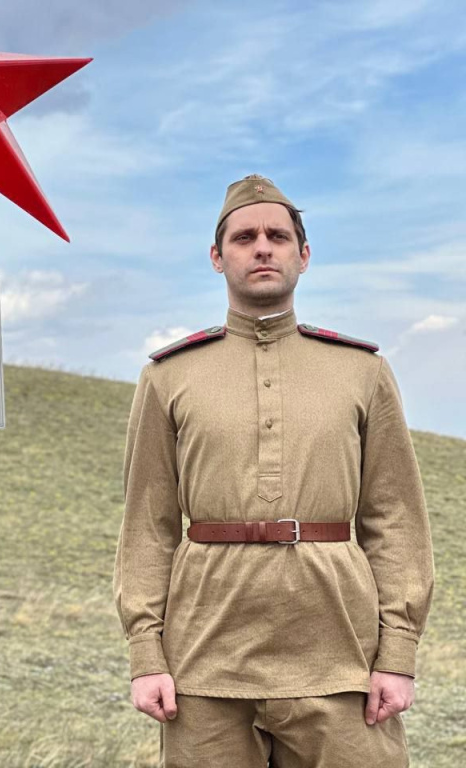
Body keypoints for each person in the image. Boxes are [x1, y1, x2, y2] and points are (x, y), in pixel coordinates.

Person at [113, 175, 434, 766]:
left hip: (340, 659)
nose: (262, 247)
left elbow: (395, 518)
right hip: (203, 665)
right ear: (217, 257)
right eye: (243, 237)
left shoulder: (362, 372)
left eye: (277, 236)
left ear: (303, 255)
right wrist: (146, 654)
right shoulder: (168, 376)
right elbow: (148, 527)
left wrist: (397, 652)